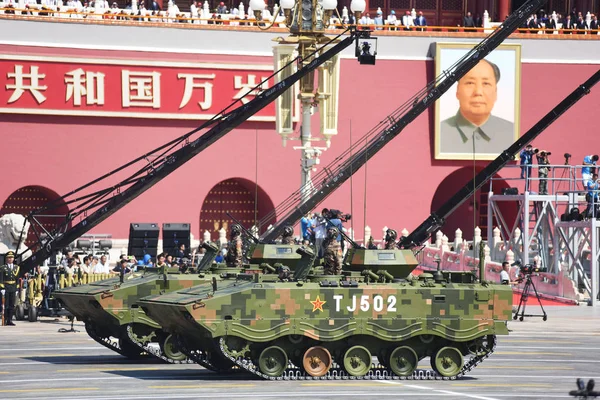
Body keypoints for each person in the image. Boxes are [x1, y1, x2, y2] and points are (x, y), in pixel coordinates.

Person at [439, 59, 514, 155]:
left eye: (486, 83)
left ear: (495, 92)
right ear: (457, 91)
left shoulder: (511, 132)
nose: (478, 92)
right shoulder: (441, 132)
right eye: (470, 83)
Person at [0, 251, 19, 326]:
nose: (10, 259)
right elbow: (1, 278)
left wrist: (17, 289)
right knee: (6, 305)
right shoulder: (3, 268)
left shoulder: (16, 268)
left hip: (13, 288)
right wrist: (2, 288)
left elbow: (17, 279)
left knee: (12, 305)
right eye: (9, 258)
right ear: (6, 259)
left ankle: (10, 320)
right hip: (6, 287)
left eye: (11, 258)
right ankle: (5, 319)